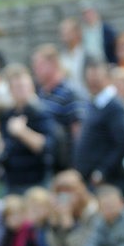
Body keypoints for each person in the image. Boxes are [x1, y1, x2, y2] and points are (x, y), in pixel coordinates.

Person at [0, 64, 55, 194]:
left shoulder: (40, 112)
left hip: (36, 180)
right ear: (10, 90)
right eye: (17, 87)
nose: (22, 90)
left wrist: (22, 132)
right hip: (12, 179)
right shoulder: (7, 114)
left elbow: (46, 146)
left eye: (25, 86)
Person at [73, 59, 124, 190]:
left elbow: (121, 144)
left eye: (96, 79)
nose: (92, 83)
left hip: (104, 182)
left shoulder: (114, 106)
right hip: (86, 178)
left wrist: (102, 171)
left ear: (107, 78)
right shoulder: (93, 103)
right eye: (89, 79)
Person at [32, 43, 85, 172]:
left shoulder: (70, 92)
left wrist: (76, 167)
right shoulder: (41, 94)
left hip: (65, 166)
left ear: (53, 64)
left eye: (38, 65)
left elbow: (78, 132)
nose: (35, 70)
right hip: (46, 165)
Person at [79, 0, 117, 64]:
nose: (88, 16)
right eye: (85, 14)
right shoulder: (82, 31)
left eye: (90, 13)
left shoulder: (107, 30)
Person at [58, 18, 88, 97]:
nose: (64, 34)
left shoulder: (87, 55)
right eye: (63, 31)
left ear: (77, 33)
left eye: (67, 31)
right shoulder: (61, 56)